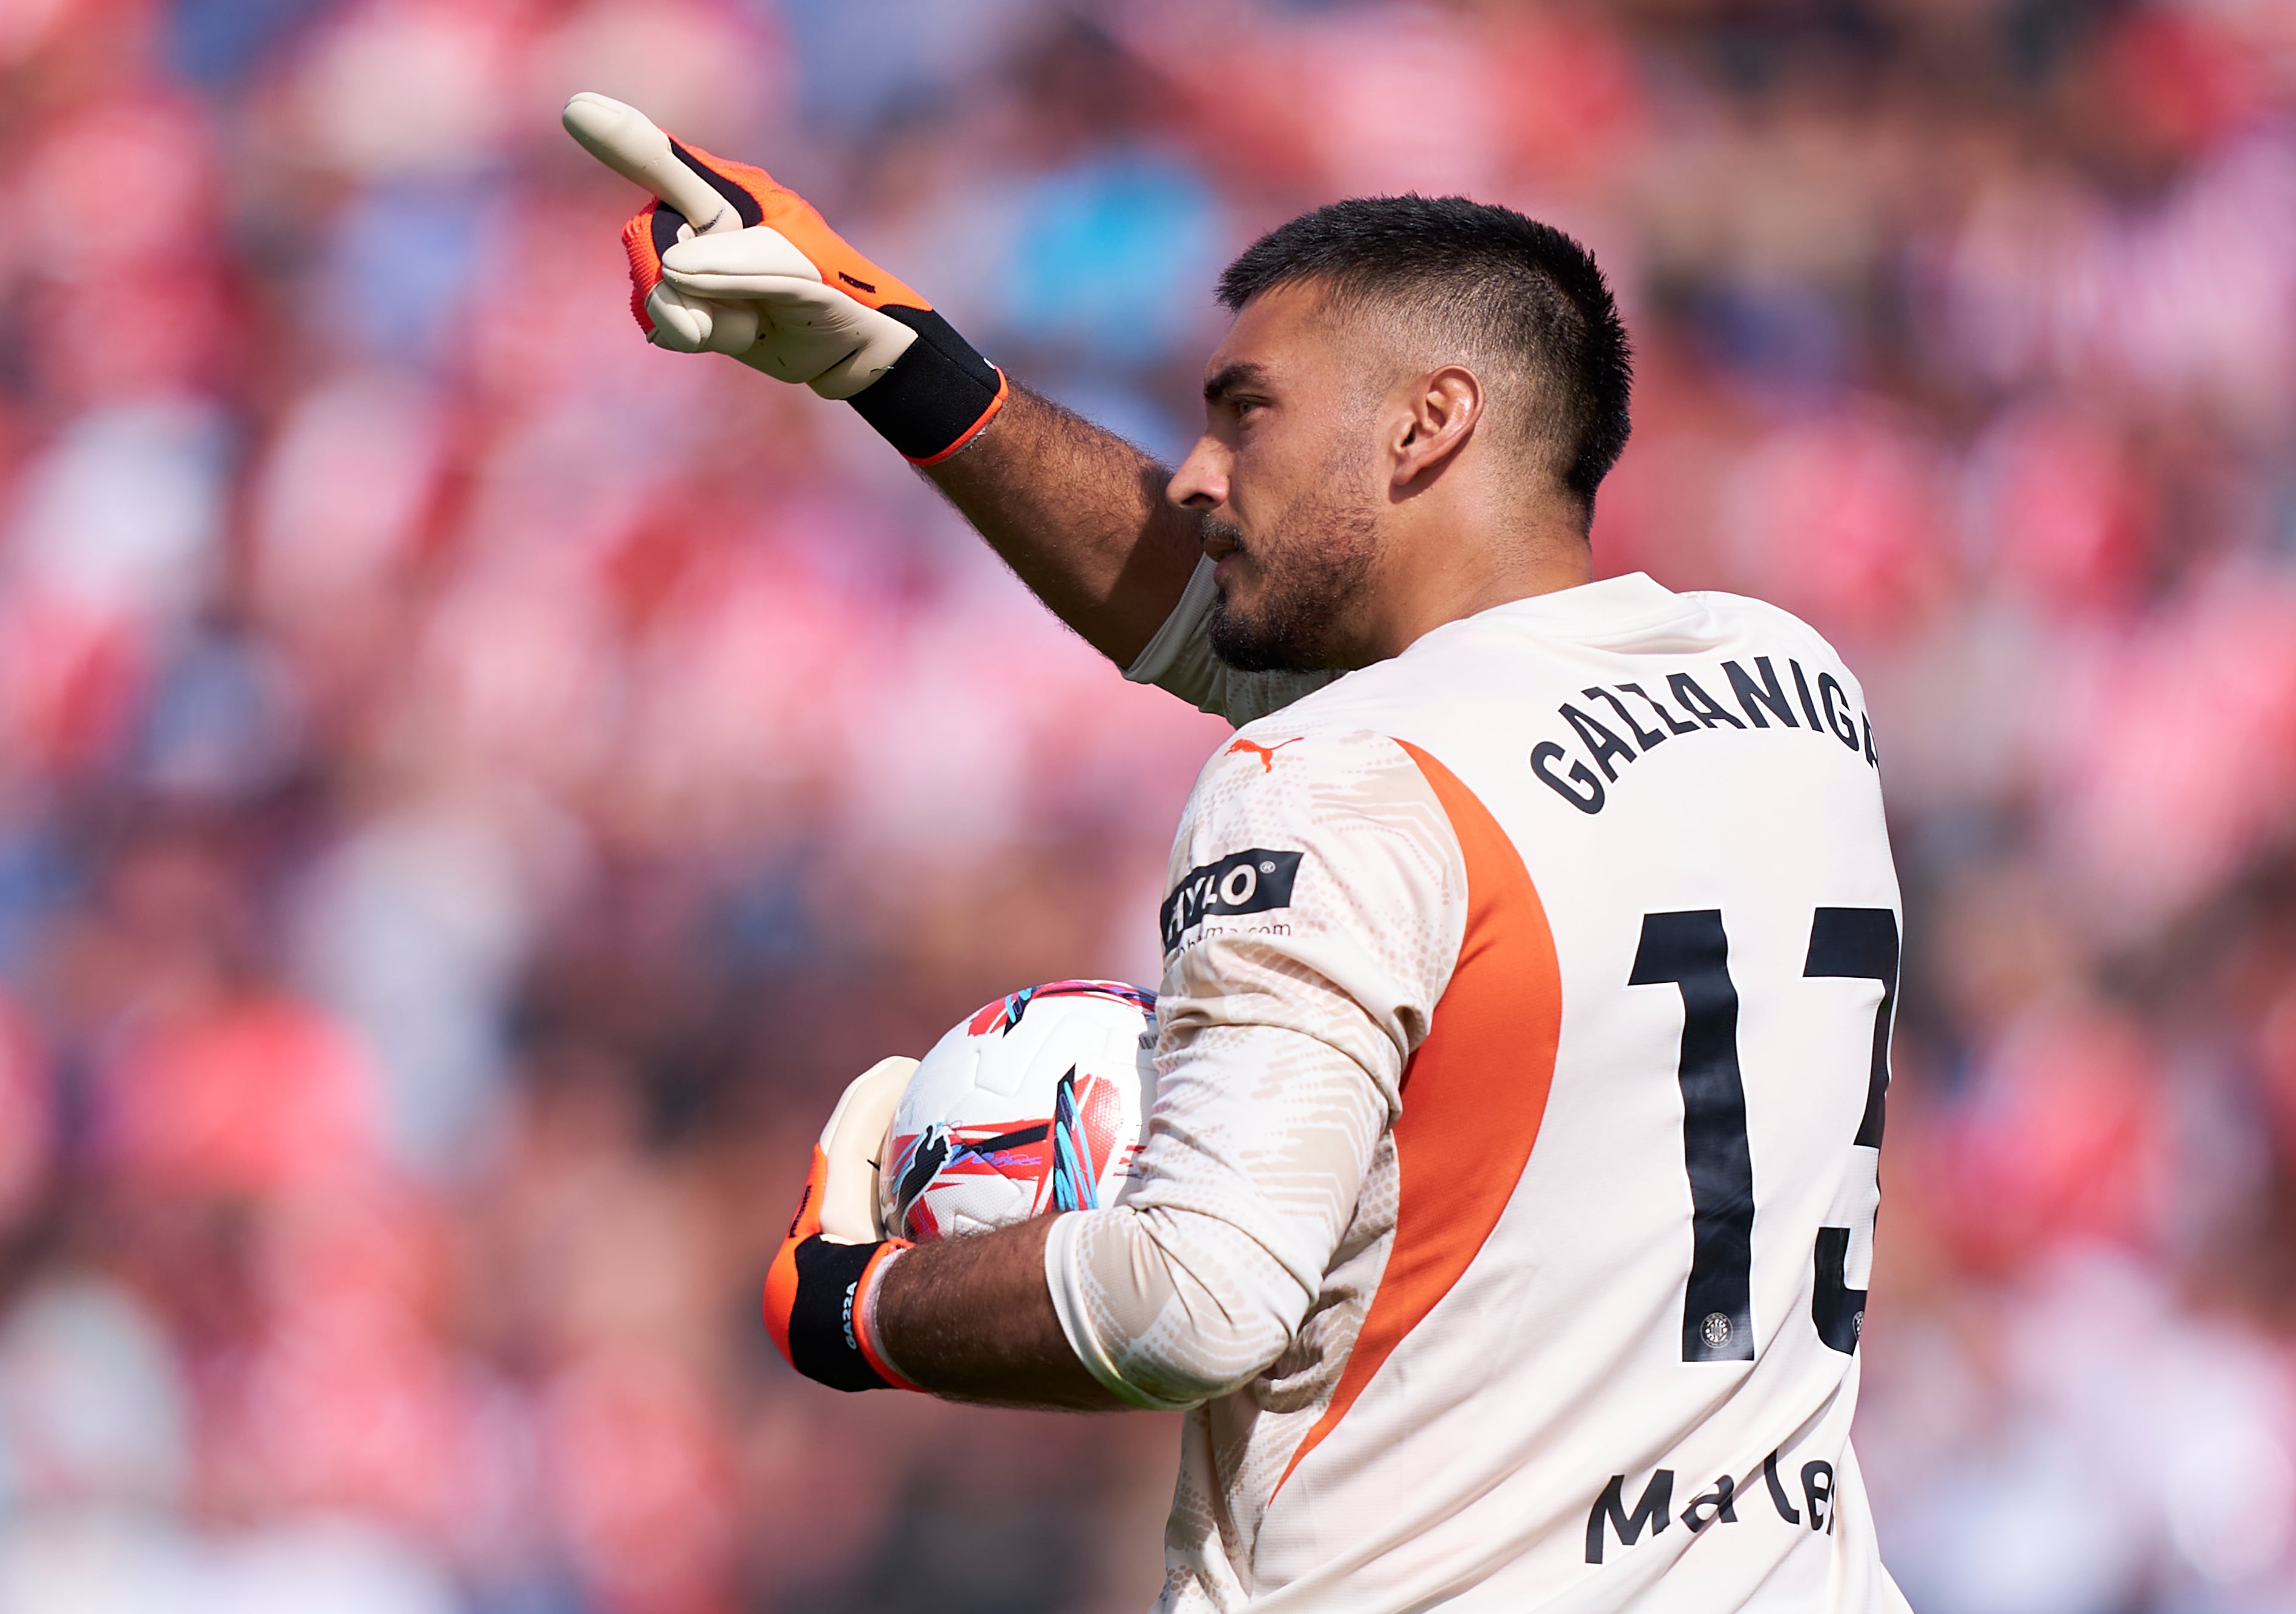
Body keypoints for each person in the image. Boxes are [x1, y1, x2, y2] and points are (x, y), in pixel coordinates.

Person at [565, 94, 1911, 1613]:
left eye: (1244, 411)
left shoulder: (1330, 774)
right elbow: (1261, 639)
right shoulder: (1794, 693)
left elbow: (1198, 1295)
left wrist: (848, 1302)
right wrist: (893, 358)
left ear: (1427, 419)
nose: (1196, 473)